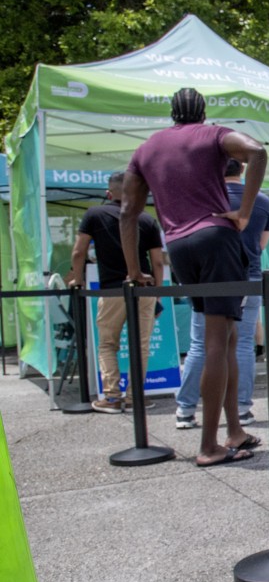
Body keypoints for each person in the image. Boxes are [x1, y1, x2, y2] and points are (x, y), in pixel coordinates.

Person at [120, 87, 267, 467]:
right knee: (219, 341)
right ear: (202, 112)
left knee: (228, 337)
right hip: (216, 239)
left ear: (172, 113)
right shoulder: (213, 134)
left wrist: (134, 270)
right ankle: (209, 445)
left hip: (180, 246)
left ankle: (233, 430)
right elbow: (257, 151)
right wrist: (245, 212)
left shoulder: (147, 149)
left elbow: (127, 213)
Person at [175, 159, 269, 428]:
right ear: (242, 170)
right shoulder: (262, 201)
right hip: (249, 276)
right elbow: (261, 244)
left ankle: (185, 409)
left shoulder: (204, 199)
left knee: (200, 344)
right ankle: (242, 408)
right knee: (242, 344)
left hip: (209, 279)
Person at [66, 172, 164, 413]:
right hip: (144, 289)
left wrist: (77, 280)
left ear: (109, 193)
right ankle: (135, 398)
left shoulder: (94, 214)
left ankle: (111, 397)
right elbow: (158, 262)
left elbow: (79, 252)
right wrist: (158, 292)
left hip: (111, 289)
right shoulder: (147, 219)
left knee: (108, 344)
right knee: (140, 345)